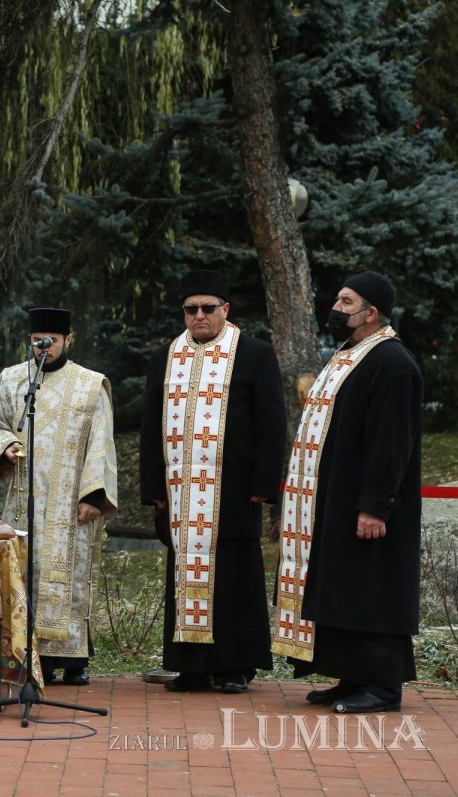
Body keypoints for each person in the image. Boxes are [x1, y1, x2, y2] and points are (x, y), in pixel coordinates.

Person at [274, 271, 422, 713]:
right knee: (345, 588)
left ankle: (382, 686)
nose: (336, 309)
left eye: (346, 302)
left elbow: (391, 442)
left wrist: (375, 505)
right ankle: (351, 676)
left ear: (371, 313)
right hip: (337, 500)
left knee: (372, 589)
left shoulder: (392, 362)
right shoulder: (350, 355)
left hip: (369, 506)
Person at [140, 269, 286, 694]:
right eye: (191, 309)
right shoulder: (165, 356)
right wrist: (154, 490)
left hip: (233, 490)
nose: (199, 316)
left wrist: (263, 486)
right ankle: (191, 666)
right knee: (184, 576)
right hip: (181, 494)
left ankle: (236, 666)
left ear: (226, 309)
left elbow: (271, 424)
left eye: (207, 308)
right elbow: (150, 426)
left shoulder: (254, 353)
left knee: (235, 579)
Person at [0, 307, 118, 686]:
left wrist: (94, 496)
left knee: (68, 578)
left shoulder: (90, 385)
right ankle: (22, 657)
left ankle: (73, 661)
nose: (44, 348)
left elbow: (101, 442)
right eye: (36, 342)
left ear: (68, 340)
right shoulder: (11, 380)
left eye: (52, 341)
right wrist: (6, 445)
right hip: (22, 501)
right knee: (22, 578)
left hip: (69, 502)